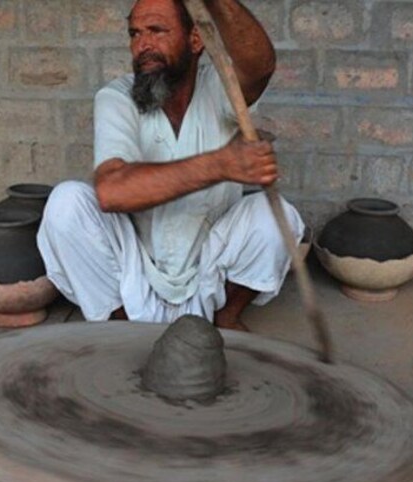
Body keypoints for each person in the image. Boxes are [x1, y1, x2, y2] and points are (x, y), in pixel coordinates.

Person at [37, 0, 304, 331]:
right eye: (135, 34)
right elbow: (111, 192)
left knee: (279, 217)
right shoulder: (117, 97)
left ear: (195, 40)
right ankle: (123, 328)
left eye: (157, 31)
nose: (143, 45)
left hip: (209, 269)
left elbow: (260, 66)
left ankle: (224, 317)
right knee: (67, 203)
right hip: (134, 275)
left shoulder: (221, 90)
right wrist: (220, 164)